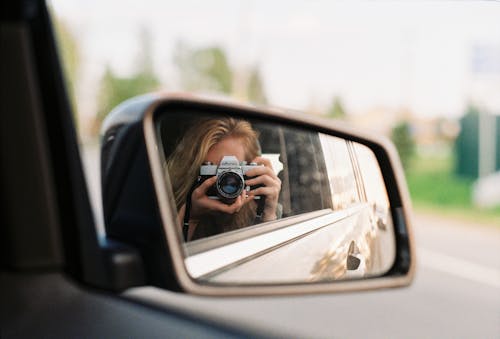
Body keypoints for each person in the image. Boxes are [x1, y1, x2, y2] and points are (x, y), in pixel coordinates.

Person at [166, 117, 281, 241]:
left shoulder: (257, 208)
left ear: (251, 171)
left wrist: (268, 214)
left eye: (234, 171)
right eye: (214, 170)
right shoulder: (166, 208)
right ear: (194, 172)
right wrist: (191, 215)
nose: (227, 180)